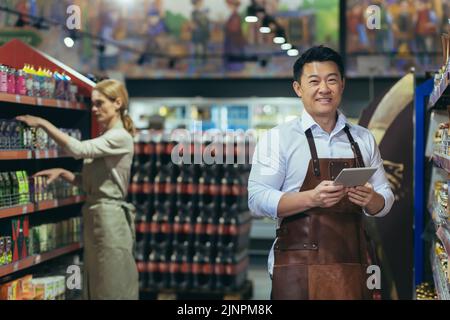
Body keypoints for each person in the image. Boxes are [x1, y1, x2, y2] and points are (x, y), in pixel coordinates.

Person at [248, 46, 395, 300]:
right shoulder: (278, 139)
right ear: (298, 89)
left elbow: (385, 196)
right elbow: (257, 200)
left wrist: (373, 201)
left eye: (331, 80)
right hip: (295, 268)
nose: (324, 89)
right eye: (314, 81)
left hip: (352, 264)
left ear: (342, 84)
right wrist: (311, 198)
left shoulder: (363, 138)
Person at [16, 79, 139, 300]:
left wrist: (43, 123)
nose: (94, 109)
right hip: (96, 216)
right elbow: (91, 184)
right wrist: (64, 174)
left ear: (117, 103)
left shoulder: (120, 137)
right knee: (96, 284)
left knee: (112, 285)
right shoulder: (106, 138)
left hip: (110, 219)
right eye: (92, 103)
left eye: (100, 103)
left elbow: (78, 149)